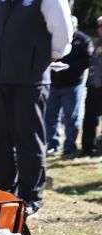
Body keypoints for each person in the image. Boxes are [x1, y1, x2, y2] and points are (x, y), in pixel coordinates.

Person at [0, 0, 72, 216]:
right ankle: (3, 190)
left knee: (29, 138)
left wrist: (49, 55)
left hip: (30, 78)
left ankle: (30, 197)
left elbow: (62, 31)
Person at [45, 16, 92, 156]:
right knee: (51, 116)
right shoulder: (54, 37)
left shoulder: (83, 40)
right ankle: (52, 144)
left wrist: (69, 67)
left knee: (71, 117)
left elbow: (87, 61)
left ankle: (69, 147)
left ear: (75, 26)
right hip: (53, 83)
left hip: (73, 85)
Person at [82, 16, 102, 156]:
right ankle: (88, 147)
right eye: (99, 26)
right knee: (90, 119)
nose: (100, 28)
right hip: (93, 86)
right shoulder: (96, 43)